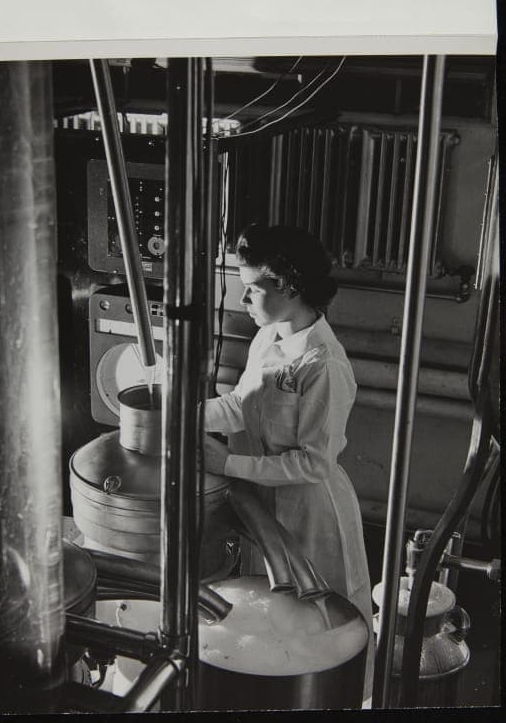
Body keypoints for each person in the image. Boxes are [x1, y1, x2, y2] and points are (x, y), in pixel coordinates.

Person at [203, 223, 373, 700]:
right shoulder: (268, 338)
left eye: (252, 289)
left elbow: (312, 465)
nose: (242, 301)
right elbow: (240, 405)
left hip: (311, 515)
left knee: (319, 635)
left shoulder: (324, 364)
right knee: (272, 625)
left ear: (289, 286)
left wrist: (226, 465)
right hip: (265, 508)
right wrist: (181, 416)